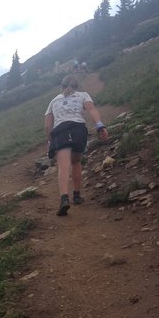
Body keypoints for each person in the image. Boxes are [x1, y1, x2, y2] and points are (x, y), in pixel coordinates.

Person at [45, 75, 107, 216]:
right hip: (79, 130)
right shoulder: (83, 95)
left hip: (60, 132)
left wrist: (50, 142)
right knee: (76, 162)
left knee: (64, 166)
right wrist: (100, 125)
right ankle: (77, 195)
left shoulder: (53, 101)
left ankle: (64, 199)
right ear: (77, 86)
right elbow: (91, 109)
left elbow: (48, 125)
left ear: (61, 87)